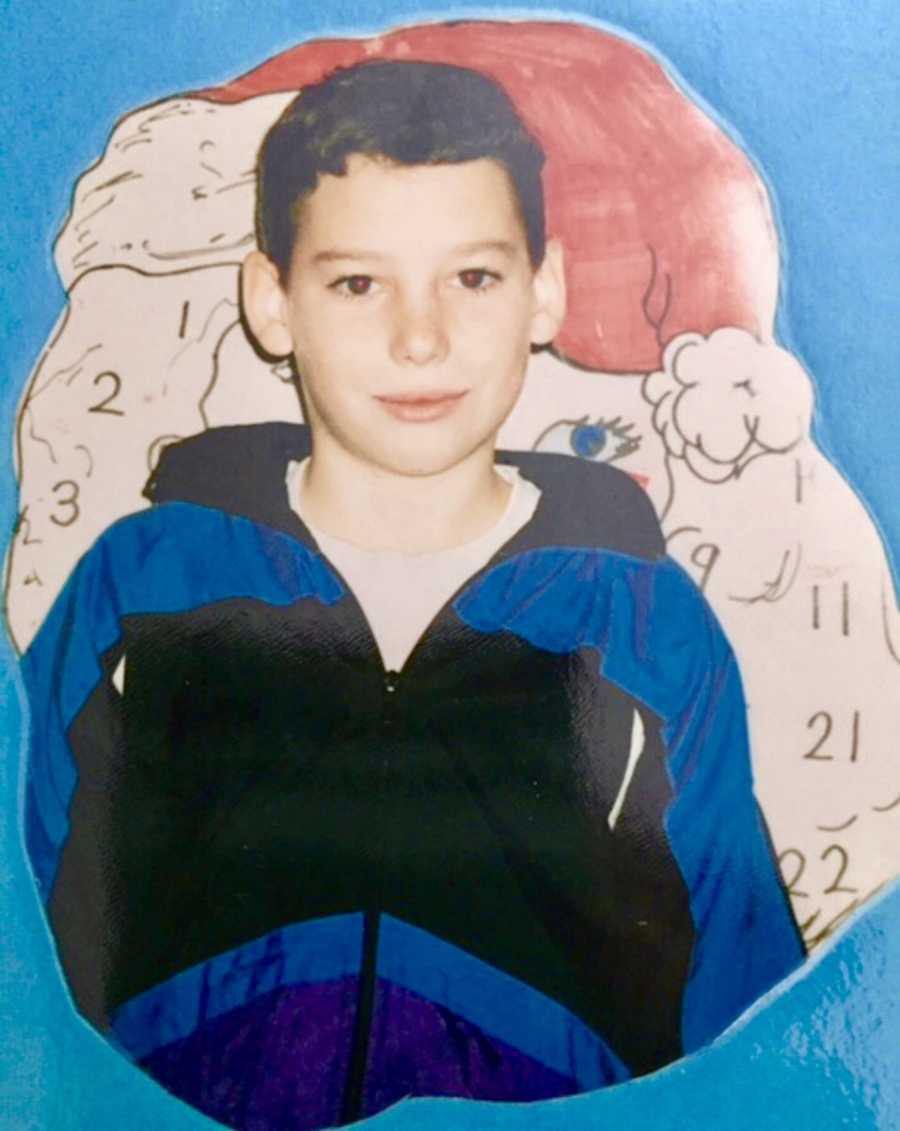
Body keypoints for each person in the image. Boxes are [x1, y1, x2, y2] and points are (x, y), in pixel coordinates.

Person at [21, 59, 803, 1131]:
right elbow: (22, 915)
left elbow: (748, 1004)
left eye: (471, 278)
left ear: (548, 292)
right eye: (357, 283)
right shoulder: (140, 586)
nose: (420, 338)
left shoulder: (646, 625)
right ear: (272, 300)